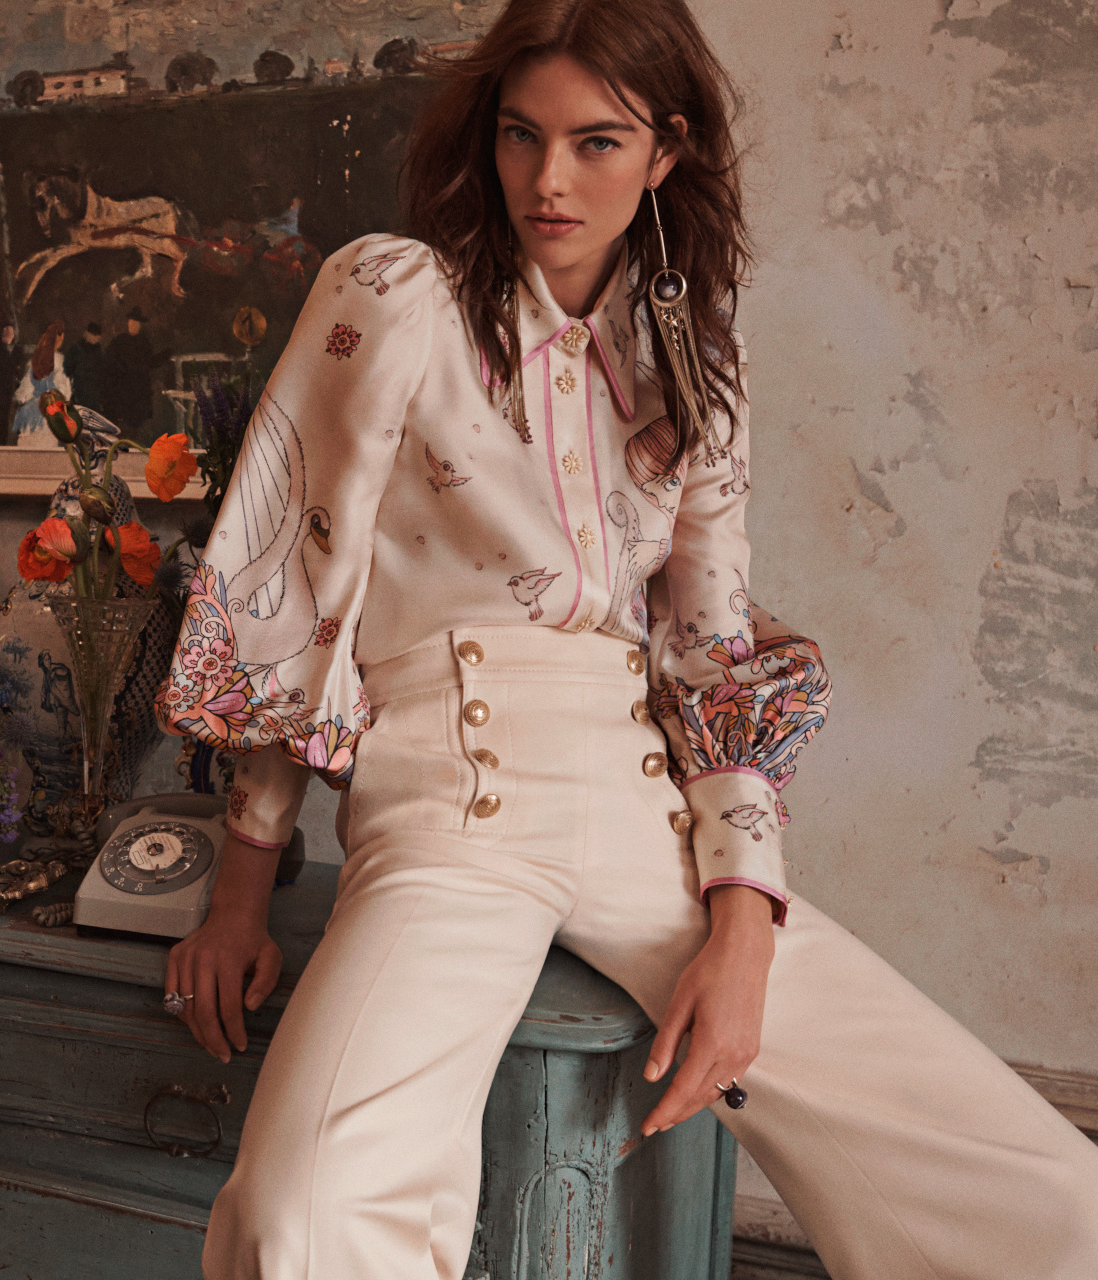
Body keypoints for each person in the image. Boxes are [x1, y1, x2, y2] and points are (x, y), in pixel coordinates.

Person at [150, 2, 1098, 1277]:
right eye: (521, 136)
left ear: (668, 150)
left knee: (1030, 1186)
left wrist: (744, 924)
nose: (550, 180)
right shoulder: (395, 294)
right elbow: (292, 582)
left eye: (597, 143)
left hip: (651, 803)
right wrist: (239, 892)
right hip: (451, 795)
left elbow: (708, 643)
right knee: (303, 1215)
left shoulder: (698, 350)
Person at [9, 320, 71, 447]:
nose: (60, 342)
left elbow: (25, 389)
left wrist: (20, 398)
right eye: (59, 339)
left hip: (38, 409)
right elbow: (65, 390)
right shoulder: (58, 361)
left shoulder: (40, 359)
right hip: (45, 410)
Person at [103, 305, 163, 436]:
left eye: (135, 323)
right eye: (130, 322)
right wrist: (122, 369)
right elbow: (109, 359)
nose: (133, 325)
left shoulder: (144, 343)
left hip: (138, 387)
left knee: (138, 417)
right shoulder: (119, 341)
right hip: (122, 384)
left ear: (140, 325)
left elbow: (148, 363)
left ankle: (135, 431)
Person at [64, 319, 107, 414]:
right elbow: (67, 371)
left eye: (98, 336)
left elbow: (103, 375)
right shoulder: (76, 350)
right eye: (94, 335)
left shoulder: (99, 352)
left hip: (95, 397)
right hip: (79, 394)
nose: (96, 339)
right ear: (87, 334)